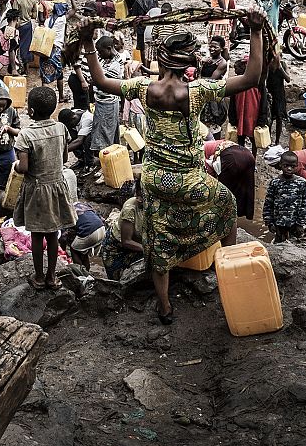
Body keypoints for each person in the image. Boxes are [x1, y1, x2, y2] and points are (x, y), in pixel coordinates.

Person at [80, 18, 266, 324]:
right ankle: (225, 268)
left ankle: (165, 306)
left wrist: (89, 41)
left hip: (153, 179)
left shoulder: (143, 88)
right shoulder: (198, 91)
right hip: (189, 179)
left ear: (162, 57)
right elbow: (252, 78)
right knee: (228, 205)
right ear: (188, 62)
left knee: (158, 237)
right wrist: (256, 31)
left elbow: (100, 82)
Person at [13, 87, 76, 291]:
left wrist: (14, 166)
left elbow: (23, 168)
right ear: (54, 108)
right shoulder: (61, 128)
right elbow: (65, 158)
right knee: (53, 233)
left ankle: (39, 277)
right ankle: (52, 277)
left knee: (37, 235)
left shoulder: (26, 135)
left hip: (37, 190)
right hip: (57, 186)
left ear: (30, 111)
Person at [203, 138, 256, 221]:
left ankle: (224, 218)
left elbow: (210, 175)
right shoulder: (211, 144)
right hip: (248, 155)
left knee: (224, 191)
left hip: (231, 158)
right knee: (245, 187)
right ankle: (242, 214)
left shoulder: (200, 152)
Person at [264, 151, 306, 242]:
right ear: (280, 165)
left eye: (292, 166)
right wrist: (269, 222)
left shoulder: (301, 182)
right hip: (278, 223)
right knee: (279, 244)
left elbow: (305, 205)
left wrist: (300, 223)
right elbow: (268, 203)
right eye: (286, 166)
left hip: (294, 223)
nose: (289, 169)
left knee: (294, 245)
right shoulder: (275, 182)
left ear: (297, 166)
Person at [58, 106, 96, 173]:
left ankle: (90, 164)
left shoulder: (88, 119)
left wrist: (61, 151)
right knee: (70, 135)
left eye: (69, 124)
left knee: (87, 140)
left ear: (74, 118)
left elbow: (79, 140)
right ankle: (81, 160)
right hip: (80, 133)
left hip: (93, 137)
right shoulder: (73, 113)